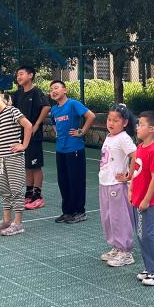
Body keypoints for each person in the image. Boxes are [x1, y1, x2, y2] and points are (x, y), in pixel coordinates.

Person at [0, 89, 31, 235]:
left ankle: (18, 223)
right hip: (0, 158)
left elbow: (28, 125)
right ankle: (6, 221)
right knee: (4, 190)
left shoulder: (12, 111)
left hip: (14, 157)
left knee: (16, 189)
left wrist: (24, 145)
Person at [49, 80, 96, 224]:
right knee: (63, 182)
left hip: (74, 149)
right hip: (60, 150)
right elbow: (54, 123)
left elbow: (91, 116)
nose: (53, 91)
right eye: (51, 90)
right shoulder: (54, 109)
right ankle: (67, 211)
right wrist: (58, 132)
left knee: (76, 181)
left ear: (65, 90)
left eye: (56, 88)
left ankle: (80, 212)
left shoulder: (73, 104)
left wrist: (82, 131)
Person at [99, 104, 137, 268]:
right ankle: (116, 246)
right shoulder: (109, 136)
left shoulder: (123, 138)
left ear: (125, 122)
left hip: (117, 185)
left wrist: (129, 175)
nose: (111, 123)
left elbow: (135, 155)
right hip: (105, 182)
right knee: (107, 217)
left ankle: (126, 251)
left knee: (119, 217)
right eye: (109, 119)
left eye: (116, 120)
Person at [132, 111, 154, 286]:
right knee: (141, 234)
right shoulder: (140, 147)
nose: (137, 127)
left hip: (146, 201)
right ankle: (149, 267)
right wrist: (131, 190)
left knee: (148, 234)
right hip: (137, 199)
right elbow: (136, 172)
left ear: (152, 129)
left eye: (141, 124)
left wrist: (146, 199)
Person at [12, 66, 50, 210]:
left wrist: (37, 124)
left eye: (21, 74)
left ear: (30, 75)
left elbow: (46, 107)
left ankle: (38, 196)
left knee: (35, 165)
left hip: (34, 135)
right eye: (17, 75)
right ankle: (28, 194)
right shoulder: (17, 94)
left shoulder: (36, 92)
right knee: (27, 165)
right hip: (21, 136)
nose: (19, 77)